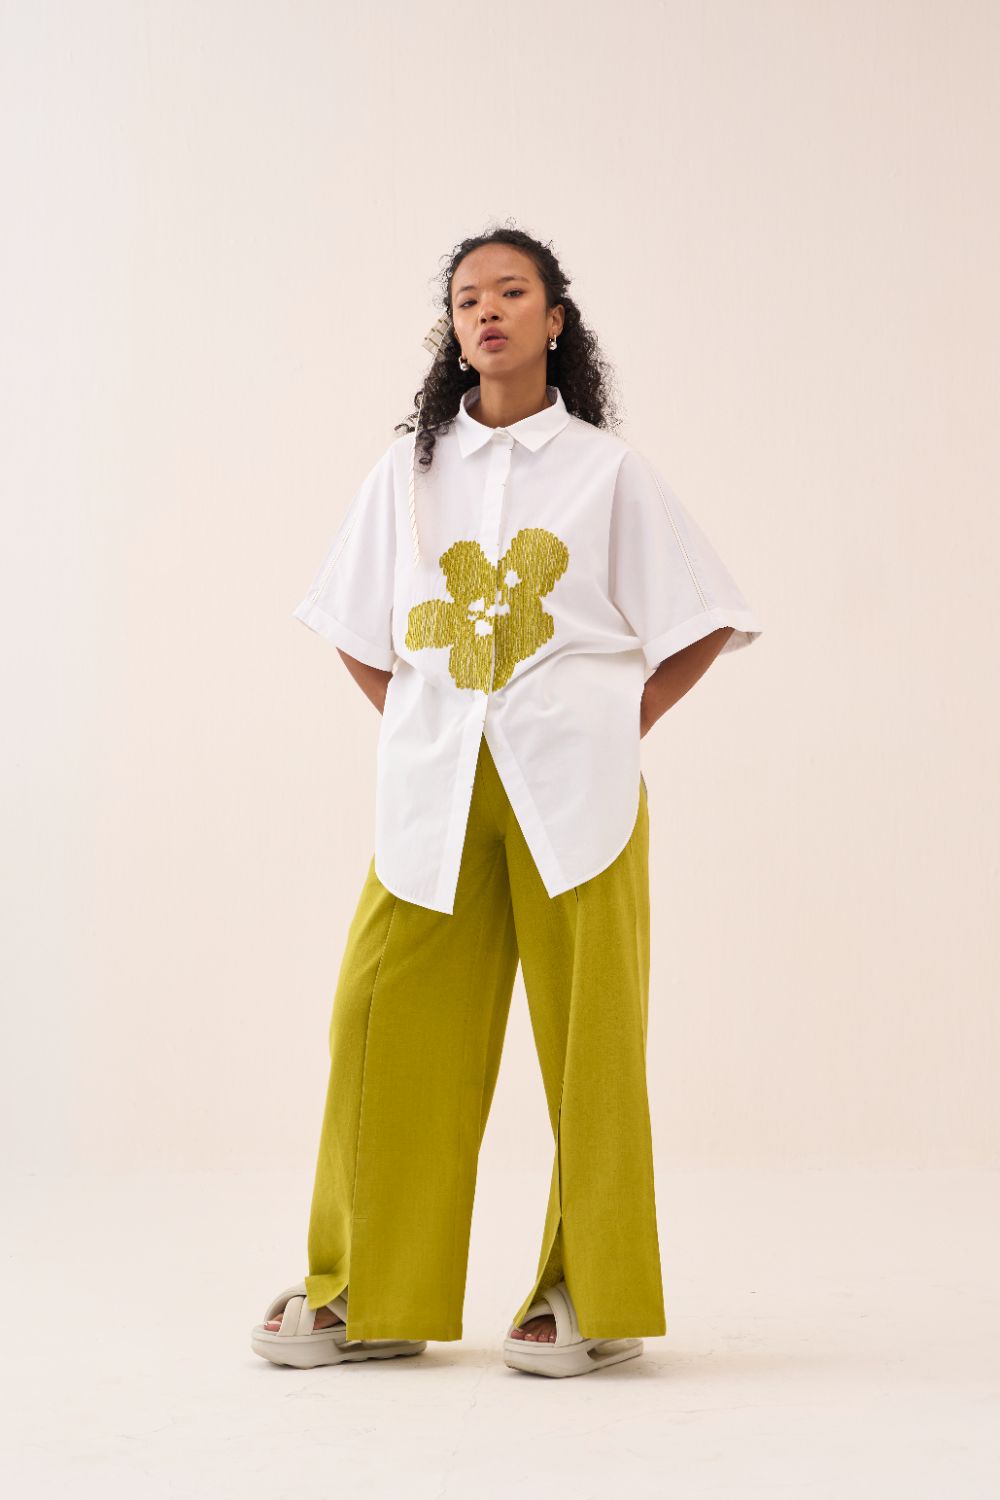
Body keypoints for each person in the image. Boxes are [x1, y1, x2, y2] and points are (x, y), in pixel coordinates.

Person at [250, 225, 763, 1379]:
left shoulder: (605, 472)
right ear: (453, 330)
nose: (486, 311)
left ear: (554, 319)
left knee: (591, 1042)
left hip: (577, 788)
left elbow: (705, 618)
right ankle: (365, 1292)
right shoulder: (407, 473)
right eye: (466, 298)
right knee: (377, 1019)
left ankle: (591, 1294)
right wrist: (422, 723)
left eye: (511, 292)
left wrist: (617, 723)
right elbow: (351, 624)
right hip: (434, 787)